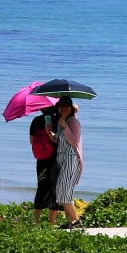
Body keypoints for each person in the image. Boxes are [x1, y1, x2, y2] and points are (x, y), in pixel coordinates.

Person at [51, 97, 84, 228]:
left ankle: (75, 221)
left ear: (71, 108)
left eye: (66, 106)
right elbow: (60, 141)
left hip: (71, 158)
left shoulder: (73, 121)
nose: (63, 108)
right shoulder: (62, 121)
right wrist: (51, 134)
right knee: (63, 190)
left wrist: (64, 126)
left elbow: (74, 141)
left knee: (64, 190)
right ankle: (72, 221)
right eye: (61, 106)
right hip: (63, 159)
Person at [30, 107, 60, 224]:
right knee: (54, 189)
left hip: (41, 160)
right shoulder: (58, 120)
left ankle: (37, 221)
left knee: (41, 187)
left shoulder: (36, 121)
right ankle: (52, 222)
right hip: (55, 159)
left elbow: (32, 141)